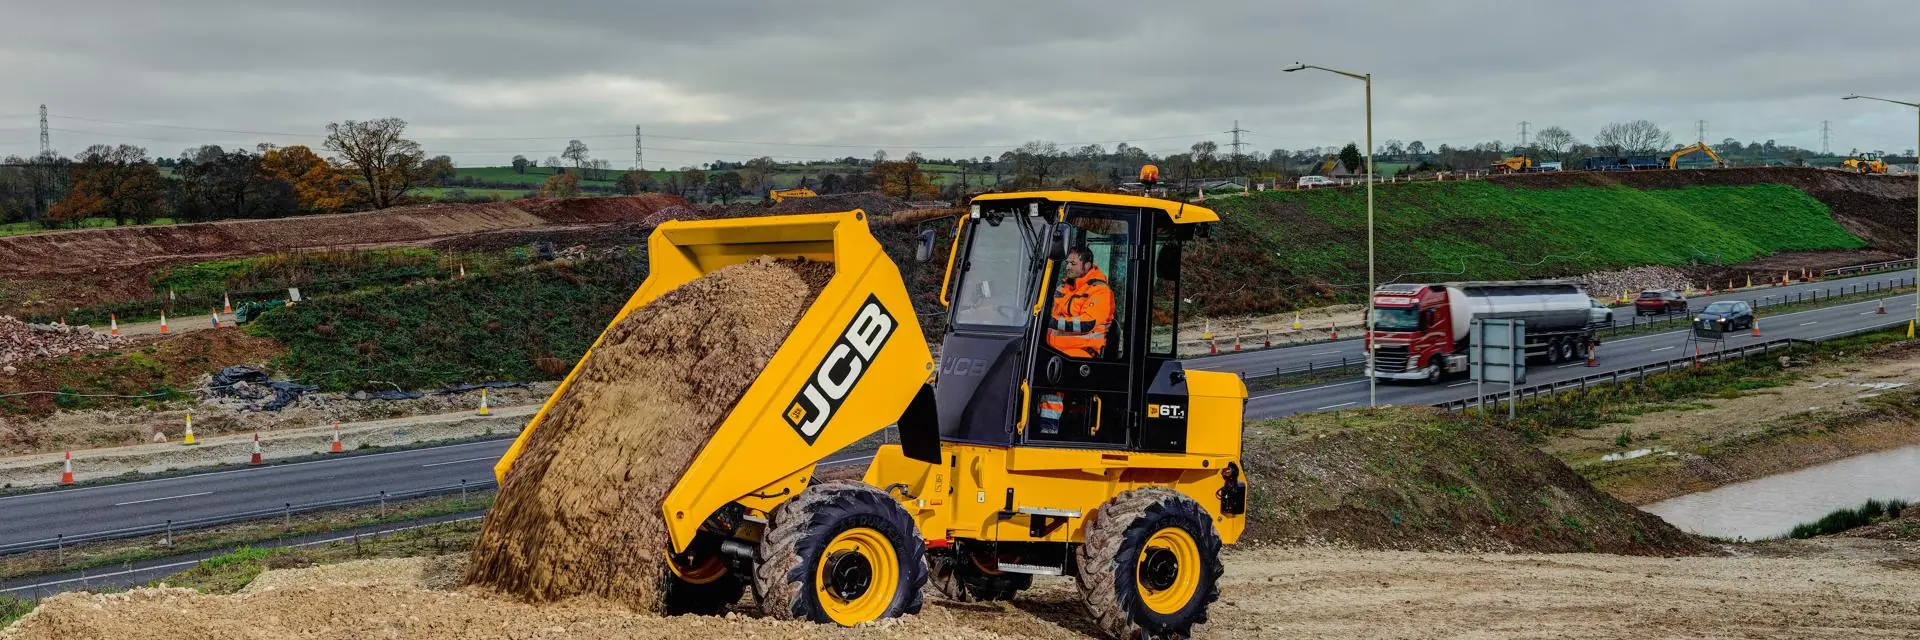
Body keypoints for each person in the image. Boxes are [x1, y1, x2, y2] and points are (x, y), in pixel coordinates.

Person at [1047, 246, 1113, 358]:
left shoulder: (1100, 291)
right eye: (1067, 263)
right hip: (1054, 348)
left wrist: (1052, 322)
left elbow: (1087, 323)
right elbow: (1051, 313)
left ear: (1086, 265)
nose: (1067, 267)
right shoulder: (1063, 288)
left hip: (1082, 353)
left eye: (1073, 263)